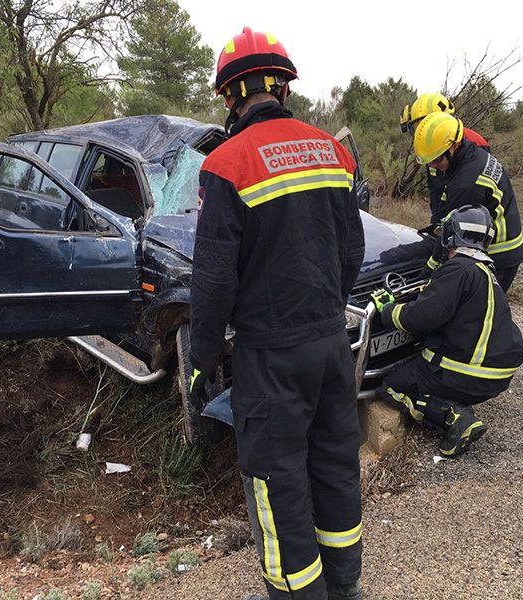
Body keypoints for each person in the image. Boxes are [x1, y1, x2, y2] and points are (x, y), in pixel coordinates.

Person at [188, 27, 365, 600]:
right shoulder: (332, 152)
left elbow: (212, 281)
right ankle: (344, 588)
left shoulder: (226, 164)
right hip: (330, 344)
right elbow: (351, 251)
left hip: (270, 356)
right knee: (335, 463)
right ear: (283, 87)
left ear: (231, 97)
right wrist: (324, 309)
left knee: (275, 478)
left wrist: (202, 360)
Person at [371, 205, 523, 456]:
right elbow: (440, 301)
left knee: (391, 385)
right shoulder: (484, 270)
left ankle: (455, 419)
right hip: (497, 371)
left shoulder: (457, 270)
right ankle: (455, 399)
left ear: (451, 235)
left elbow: (420, 318)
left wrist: (387, 311)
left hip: (469, 372)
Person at [413, 112, 523, 292]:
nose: (433, 166)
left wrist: (426, 277)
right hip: (504, 243)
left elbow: (449, 235)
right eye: (429, 162)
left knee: (476, 312)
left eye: (437, 159)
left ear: (454, 146)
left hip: (498, 254)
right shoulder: (473, 154)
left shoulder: (466, 184)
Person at [400, 92, 490, 224]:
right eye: (419, 125)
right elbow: (435, 188)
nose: (424, 130)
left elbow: (477, 193)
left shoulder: (476, 143)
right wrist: (436, 221)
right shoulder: (431, 145)